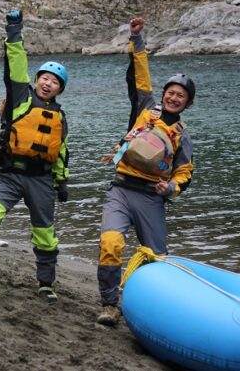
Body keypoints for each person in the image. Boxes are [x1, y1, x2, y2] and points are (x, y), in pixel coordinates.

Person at [96, 17, 195, 325]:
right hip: (121, 190)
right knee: (110, 243)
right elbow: (141, 74)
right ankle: (110, 305)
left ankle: (146, 307)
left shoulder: (182, 135)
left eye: (181, 95)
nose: (173, 97)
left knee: (156, 259)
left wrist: (171, 189)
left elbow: (185, 174)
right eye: (171, 91)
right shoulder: (145, 107)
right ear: (164, 93)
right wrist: (136, 39)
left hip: (151, 198)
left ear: (187, 104)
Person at [0, 10, 70, 303]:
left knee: (45, 235)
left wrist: (61, 181)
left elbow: (61, 151)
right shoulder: (20, 98)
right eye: (45, 78)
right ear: (37, 80)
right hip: (10, 175)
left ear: (60, 89)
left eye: (55, 81)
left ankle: (45, 284)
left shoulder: (60, 118)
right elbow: (16, 65)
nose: (48, 83)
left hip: (41, 179)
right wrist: (14, 32)